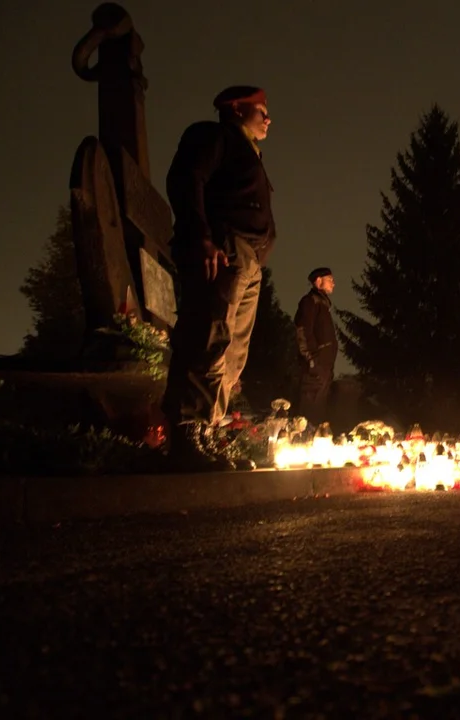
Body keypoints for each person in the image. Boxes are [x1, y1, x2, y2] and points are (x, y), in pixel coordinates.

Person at [161, 85, 276, 470]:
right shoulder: (212, 136)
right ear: (238, 109)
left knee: (233, 352)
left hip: (249, 259)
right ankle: (187, 434)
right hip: (224, 250)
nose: (268, 119)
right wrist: (201, 236)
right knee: (209, 336)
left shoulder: (249, 151)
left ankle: (208, 433)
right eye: (262, 111)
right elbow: (186, 179)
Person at [295, 267, 338, 425]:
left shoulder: (323, 305)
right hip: (315, 367)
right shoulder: (310, 301)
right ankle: (303, 441)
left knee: (318, 409)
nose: (333, 283)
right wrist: (311, 359)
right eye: (330, 279)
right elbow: (303, 330)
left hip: (324, 367)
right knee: (310, 409)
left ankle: (315, 441)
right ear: (318, 281)